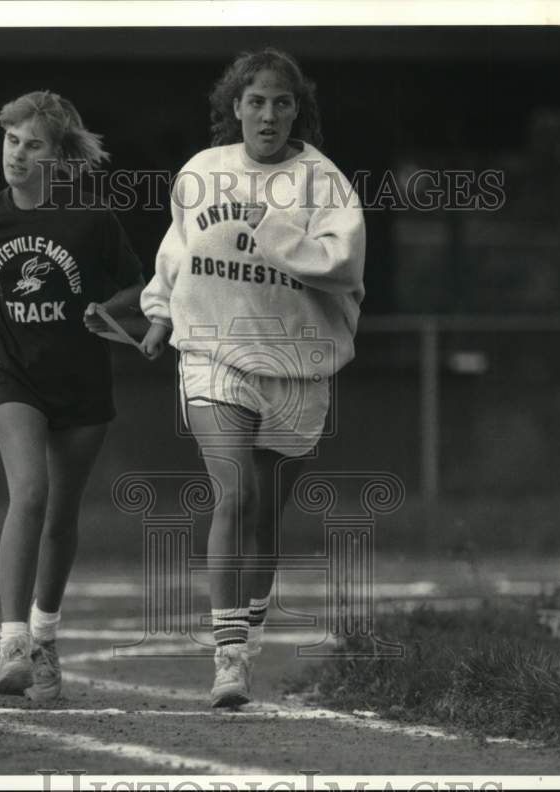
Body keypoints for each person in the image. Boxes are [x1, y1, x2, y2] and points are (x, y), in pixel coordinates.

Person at [140, 49, 366, 707]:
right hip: (213, 352)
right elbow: (175, 254)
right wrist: (157, 314)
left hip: (296, 364)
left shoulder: (324, 186)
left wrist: (268, 227)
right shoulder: (201, 175)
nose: (268, 114)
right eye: (256, 101)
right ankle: (230, 659)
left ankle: (254, 609)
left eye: (282, 102)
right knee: (233, 495)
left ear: (298, 109)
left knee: (265, 514)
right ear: (233, 106)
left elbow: (340, 267)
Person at [0, 90, 144, 700]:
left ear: (57, 155)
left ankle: (45, 638)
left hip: (82, 381)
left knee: (62, 517)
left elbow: (137, 287)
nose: (17, 154)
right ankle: (12, 644)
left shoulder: (92, 221)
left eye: (32, 144)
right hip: (13, 374)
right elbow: (3, 278)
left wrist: (107, 307)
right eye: (11, 140)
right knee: (31, 494)